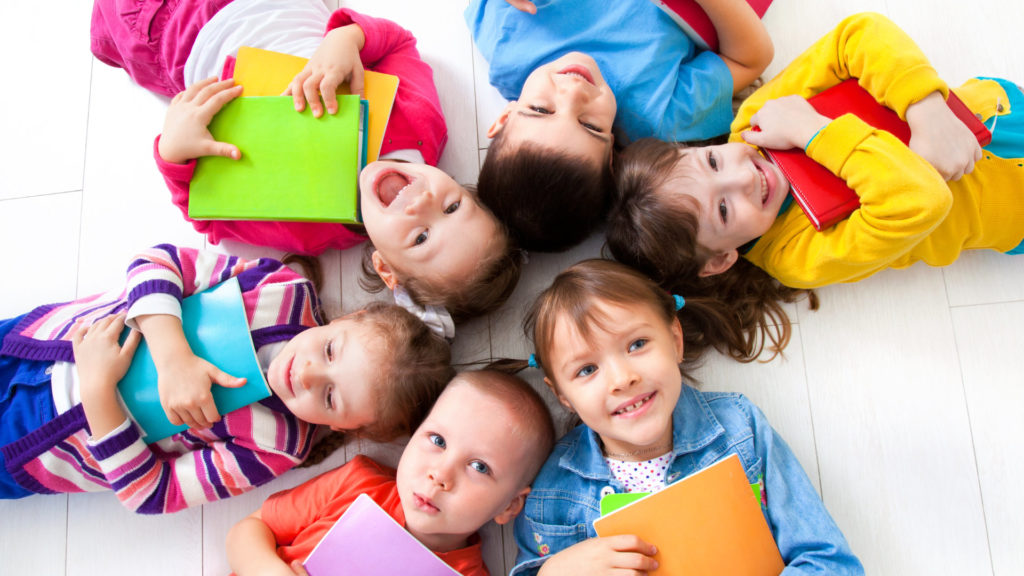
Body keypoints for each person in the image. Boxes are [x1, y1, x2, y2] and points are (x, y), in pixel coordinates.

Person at [607, 12, 1024, 361]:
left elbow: (858, 36)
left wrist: (926, 109)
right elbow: (923, 202)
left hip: (999, 108)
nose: (743, 176)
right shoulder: (797, 255)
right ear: (719, 260)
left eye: (712, 161)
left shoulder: (754, 121)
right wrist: (812, 132)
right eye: (723, 210)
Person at [93, 1, 523, 324]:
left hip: (179, 39)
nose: (421, 204)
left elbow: (208, 217)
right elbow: (398, 41)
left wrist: (174, 150)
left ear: (385, 268)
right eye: (453, 207)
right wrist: (347, 39)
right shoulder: (420, 122)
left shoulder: (312, 227)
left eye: (422, 237)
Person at [0, 244, 454, 513]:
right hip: (37, 338)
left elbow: (154, 494)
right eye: (331, 350)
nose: (310, 373)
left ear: (344, 428)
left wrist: (100, 393)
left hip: (41, 444)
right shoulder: (279, 290)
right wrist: (173, 355)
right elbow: (158, 261)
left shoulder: (277, 444)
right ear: (349, 317)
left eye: (332, 397)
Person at [501, 259, 862, 575]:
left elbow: (829, 560)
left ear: (675, 338)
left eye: (637, 345)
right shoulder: (555, 490)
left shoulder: (738, 426)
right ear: (562, 394)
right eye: (587, 370)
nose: (622, 378)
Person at [465, 0, 773, 251]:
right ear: (611, 151)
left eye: (541, 109)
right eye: (589, 126)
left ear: (504, 118)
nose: (573, 92)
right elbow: (750, 60)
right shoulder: (658, 116)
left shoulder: (507, 50)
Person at [226, 369, 556, 576]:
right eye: (438, 440)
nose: (440, 474)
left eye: (479, 467)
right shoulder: (358, 483)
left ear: (509, 506)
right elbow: (251, 528)